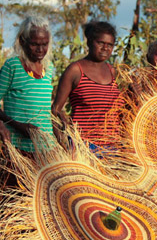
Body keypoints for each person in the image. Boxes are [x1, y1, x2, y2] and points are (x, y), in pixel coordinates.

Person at [0, 17, 55, 156]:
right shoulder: (13, 66)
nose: (40, 49)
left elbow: (46, 110)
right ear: (23, 41)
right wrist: (19, 125)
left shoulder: (49, 69)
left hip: (46, 148)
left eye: (45, 44)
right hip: (17, 148)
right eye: (35, 44)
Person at [52, 20, 121, 152]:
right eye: (100, 43)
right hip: (84, 147)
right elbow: (55, 110)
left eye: (110, 45)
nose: (105, 48)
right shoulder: (75, 70)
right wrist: (65, 142)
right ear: (89, 42)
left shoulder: (112, 72)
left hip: (113, 148)